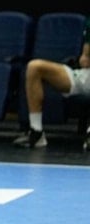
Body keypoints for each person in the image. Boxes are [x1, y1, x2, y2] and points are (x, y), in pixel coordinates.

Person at [14, 16, 90, 149]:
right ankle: (36, 132)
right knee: (34, 67)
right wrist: (85, 58)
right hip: (84, 77)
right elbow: (85, 58)